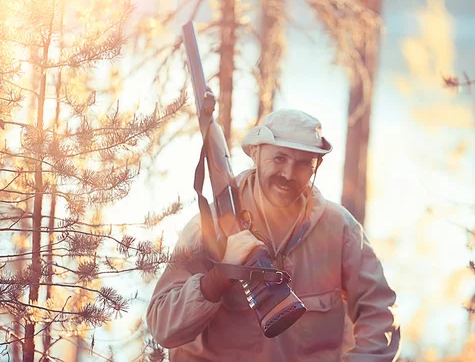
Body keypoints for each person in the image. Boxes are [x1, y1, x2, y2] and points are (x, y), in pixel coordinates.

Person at [146, 109, 401, 361]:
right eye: (279, 158)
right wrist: (219, 277)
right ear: (255, 153)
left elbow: (379, 313)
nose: (288, 174)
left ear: (317, 166)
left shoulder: (341, 228)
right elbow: (163, 328)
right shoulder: (208, 227)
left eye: (303, 164)